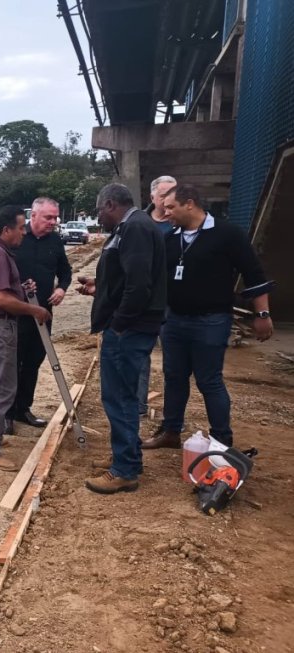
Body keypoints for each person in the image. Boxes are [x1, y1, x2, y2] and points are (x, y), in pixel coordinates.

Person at [142, 184, 274, 451]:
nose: (165, 214)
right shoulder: (171, 238)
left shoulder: (227, 235)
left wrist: (262, 314)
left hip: (211, 322)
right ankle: (170, 432)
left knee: (209, 380)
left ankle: (221, 439)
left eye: (170, 207)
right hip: (175, 321)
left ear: (189, 204)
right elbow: (153, 277)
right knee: (174, 377)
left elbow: (254, 275)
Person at [76, 183, 166, 494]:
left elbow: (139, 286)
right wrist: (100, 285)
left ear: (111, 204)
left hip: (129, 330)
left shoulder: (135, 228)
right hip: (130, 326)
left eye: (99, 210)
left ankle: (125, 470)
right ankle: (126, 458)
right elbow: (127, 277)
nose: (98, 216)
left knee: (120, 398)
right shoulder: (132, 227)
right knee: (120, 396)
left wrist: (119, 324)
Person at [0, 205, 51, 472]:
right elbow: (0, 299)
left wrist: (21, 289)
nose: (23, 232)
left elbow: (4, 290)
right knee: (2, 390)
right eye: (19, 228)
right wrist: (34, 309)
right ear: (6, 230)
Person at [10, 197, 72, 428]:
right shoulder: (17, 238)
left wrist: (61, 289)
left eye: (55, 217)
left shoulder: (55, 241)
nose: (54, 222)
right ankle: (7, 413)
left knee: (34, 361)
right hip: (16, 313)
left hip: (43, 314)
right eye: (49, 217)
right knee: (13, 362)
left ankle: (23, 409)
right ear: (33, 216)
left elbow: (66, 271)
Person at [136, 175, 177, 416]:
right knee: (141, 356)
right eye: (163, 195)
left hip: (174, 303)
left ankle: (172, 417)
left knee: (174, 363)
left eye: (174, 193)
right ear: (152, 197)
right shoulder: (139, 223)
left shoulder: (183, 224)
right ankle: (139, 407)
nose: (169, 199)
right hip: (146, 300)